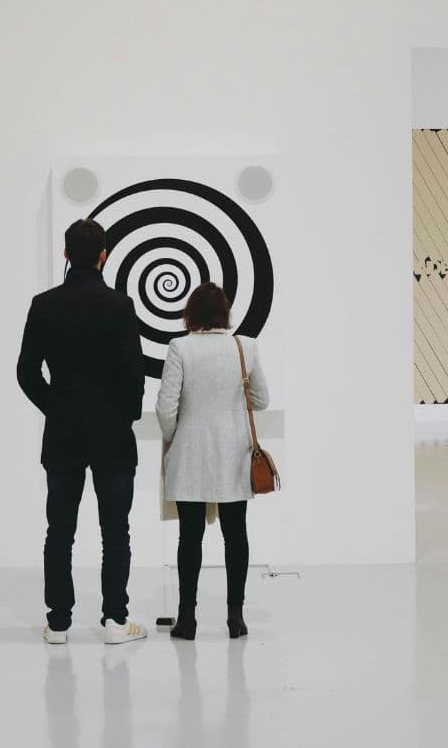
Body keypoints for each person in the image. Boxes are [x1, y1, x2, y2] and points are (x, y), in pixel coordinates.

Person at [17, 218, 149, 646]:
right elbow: (134, 375)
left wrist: (55, 407)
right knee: (116, 530)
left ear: (66, 254)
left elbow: (26, 372)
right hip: (112, 434)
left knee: (59, 530)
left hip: (63, 433)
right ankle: (115, 620)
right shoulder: (120, 306)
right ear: (103, 255)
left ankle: (58, 623)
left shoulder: (44, 305)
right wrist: (124, 415)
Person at [156, 282, 270, 640]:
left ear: (190, 313)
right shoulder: (244, 346)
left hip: (190, 453)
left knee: (189, 537)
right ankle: (235, 617)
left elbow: (165, 407)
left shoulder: (180, 347)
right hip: (233, 454)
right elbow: (262, 400)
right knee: (236, 535)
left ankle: (187, 619)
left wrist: (175, 436)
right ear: (225, 312)